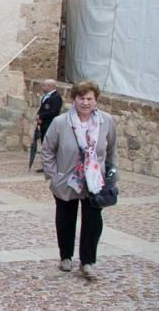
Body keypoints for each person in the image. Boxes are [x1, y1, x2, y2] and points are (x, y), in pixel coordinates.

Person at [40, 80, 117, 280]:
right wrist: (53, 175)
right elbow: (47, 150)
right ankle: (65, 256)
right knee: (65, 219)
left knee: (93, 221)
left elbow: (111, 150)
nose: (85, 102)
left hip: (94, 180)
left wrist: (111, 174)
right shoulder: (60, 123)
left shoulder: (106, 121)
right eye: (81, 98)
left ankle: (88, 261)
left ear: (96, 100)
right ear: (74, 99)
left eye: (89, 98)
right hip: (67, 179)